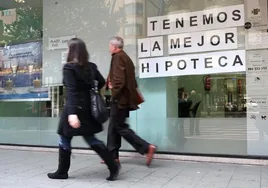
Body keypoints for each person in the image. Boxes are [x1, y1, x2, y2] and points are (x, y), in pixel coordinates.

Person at [47, 38, 120, 181]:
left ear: (72, 51)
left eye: (68, 49)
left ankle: (62, 172)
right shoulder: (91, 66)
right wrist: (91, 91)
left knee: (64, 137)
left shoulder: (69, 67)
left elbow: (72, 91)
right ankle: (113, 166)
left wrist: (72, 114)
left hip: (74, 108)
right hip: (88, 108)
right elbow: (102, 82)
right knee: (90, 137)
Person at [102, 36, 157, 166]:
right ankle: (113, 155)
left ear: (114, 47)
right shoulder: (125, 58)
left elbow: (119, 81)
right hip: (123, 98)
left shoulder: (118, 58)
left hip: (120, 99)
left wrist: (113, 92)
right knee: (114, 126)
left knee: (120, 127)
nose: (109, 48)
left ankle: (146, 147)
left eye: (110, 45)